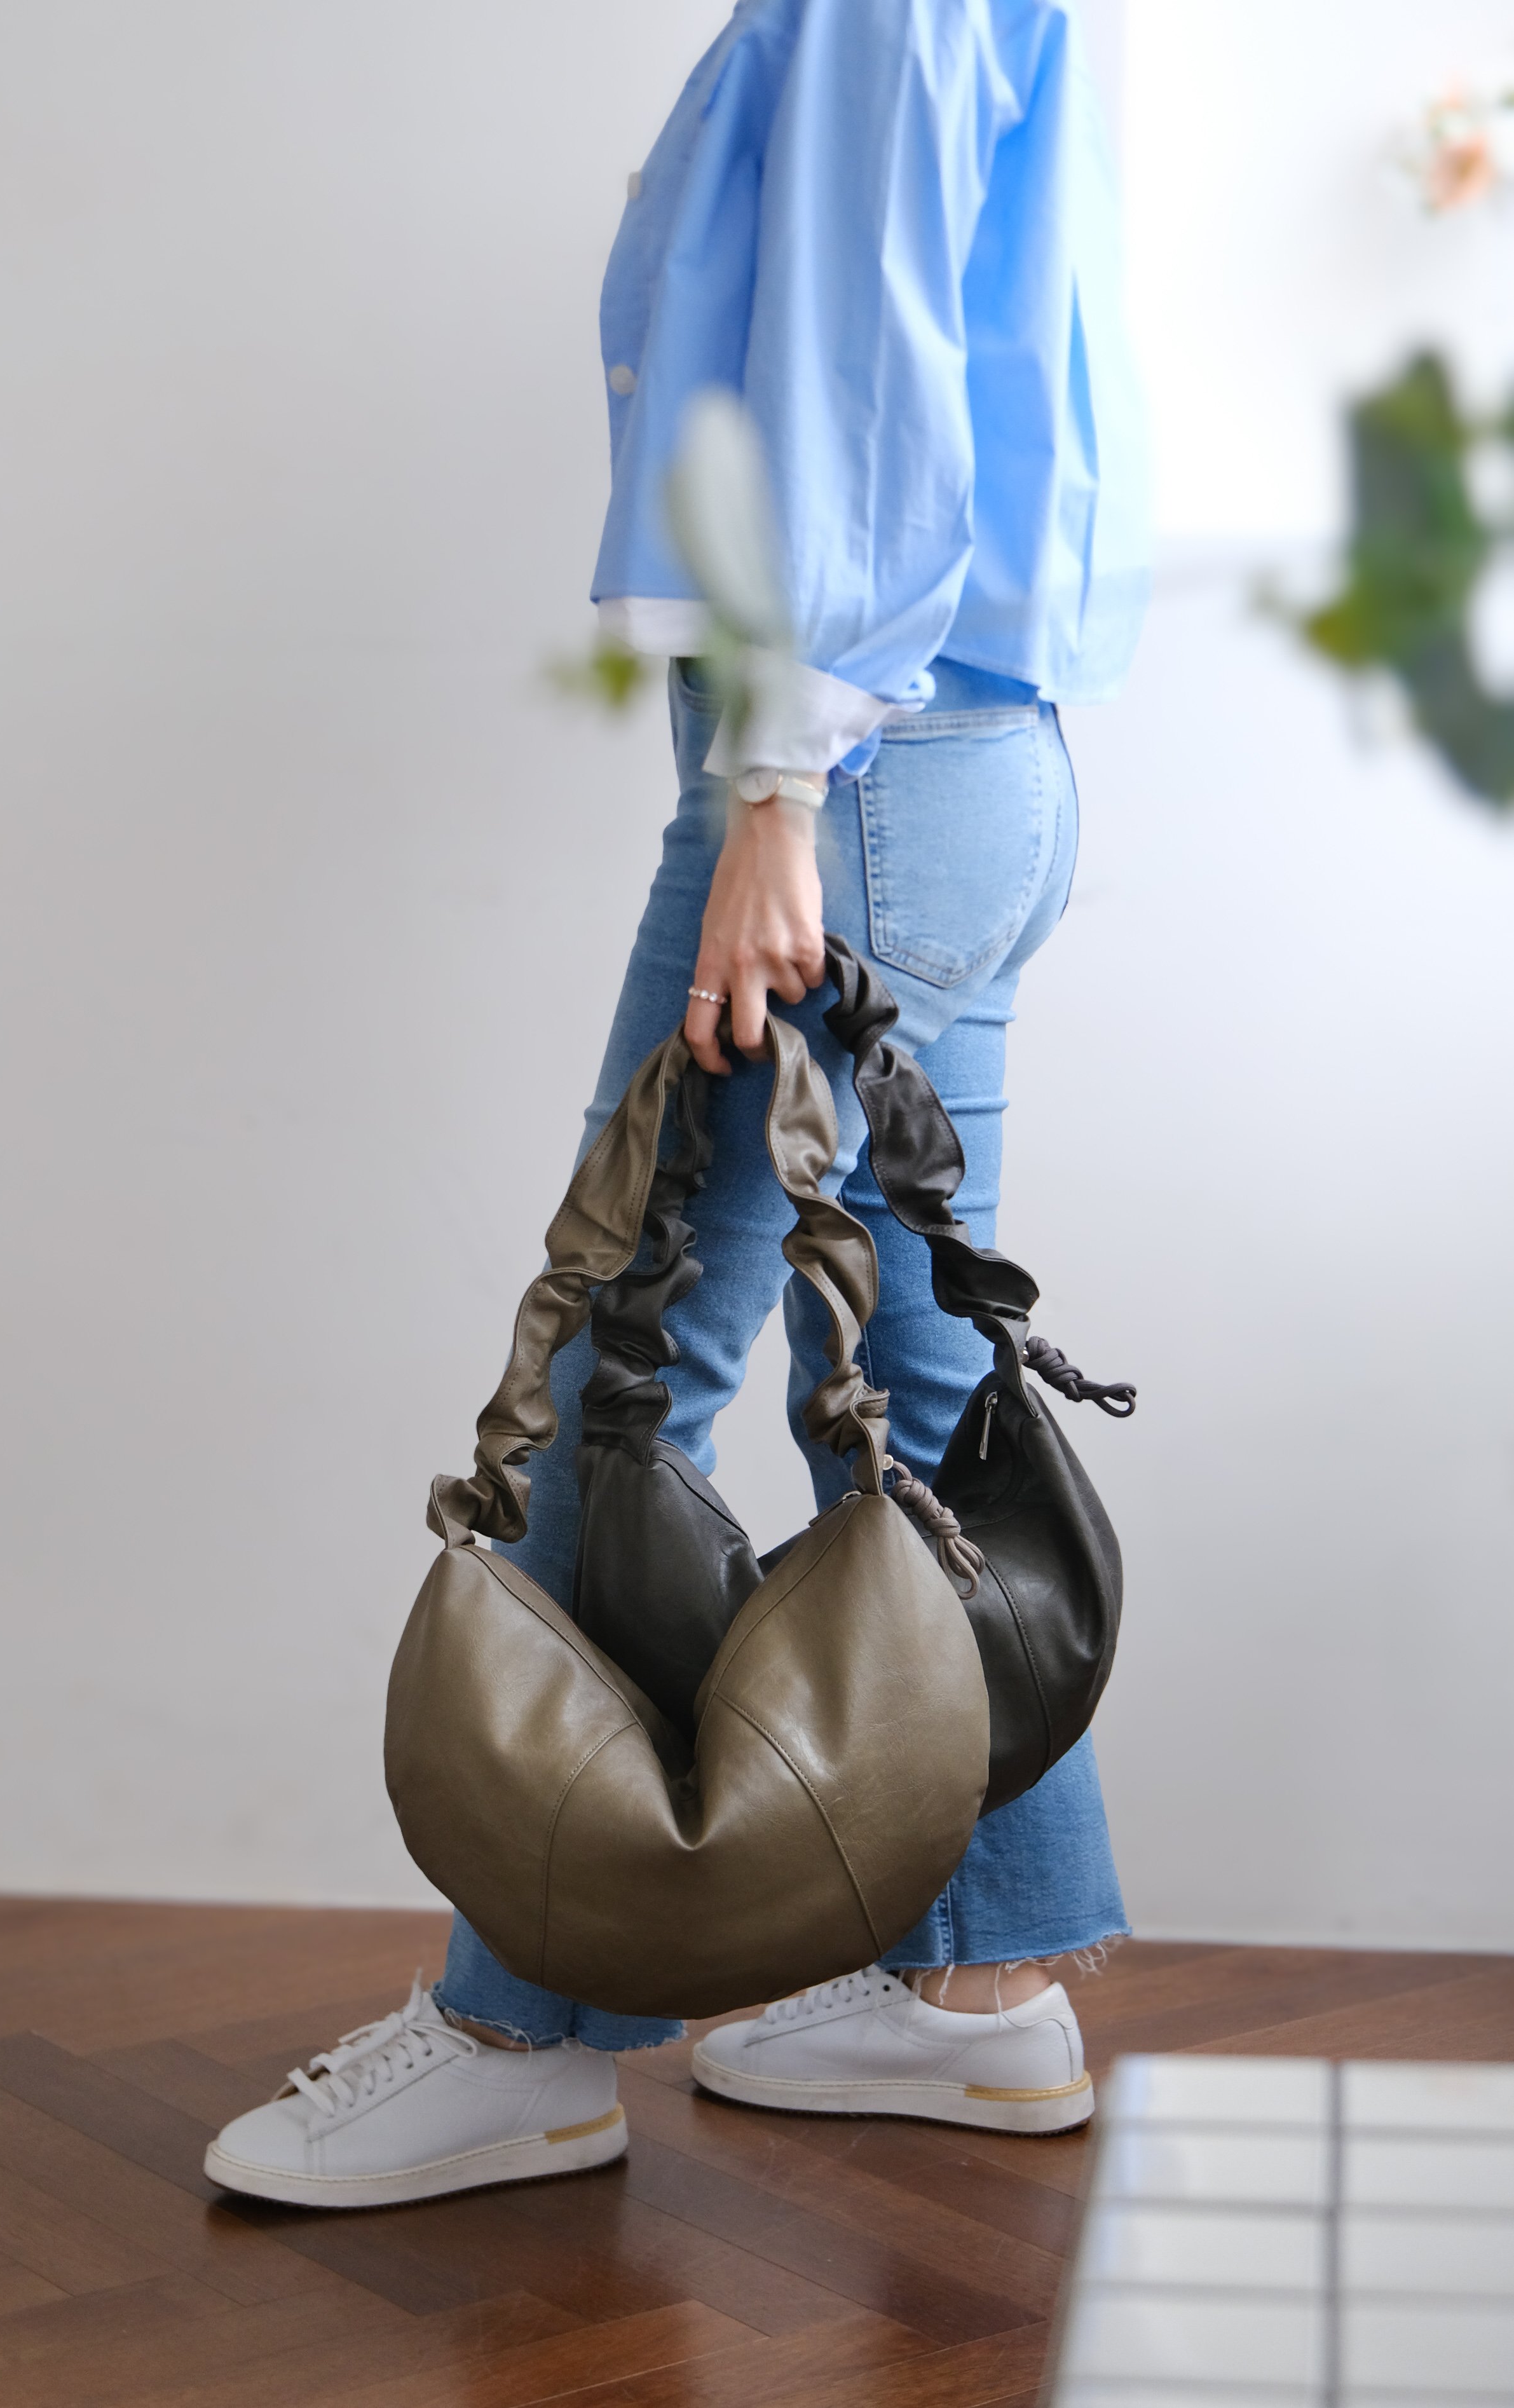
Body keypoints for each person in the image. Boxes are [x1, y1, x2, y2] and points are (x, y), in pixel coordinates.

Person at [205, 0, 1151, 2210]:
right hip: (951, 754)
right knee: (923, 1399)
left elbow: (867, 371)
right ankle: (980, 1992)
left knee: (621, 1357)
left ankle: (515, 2034)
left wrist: (777, 786)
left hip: (854, 774)